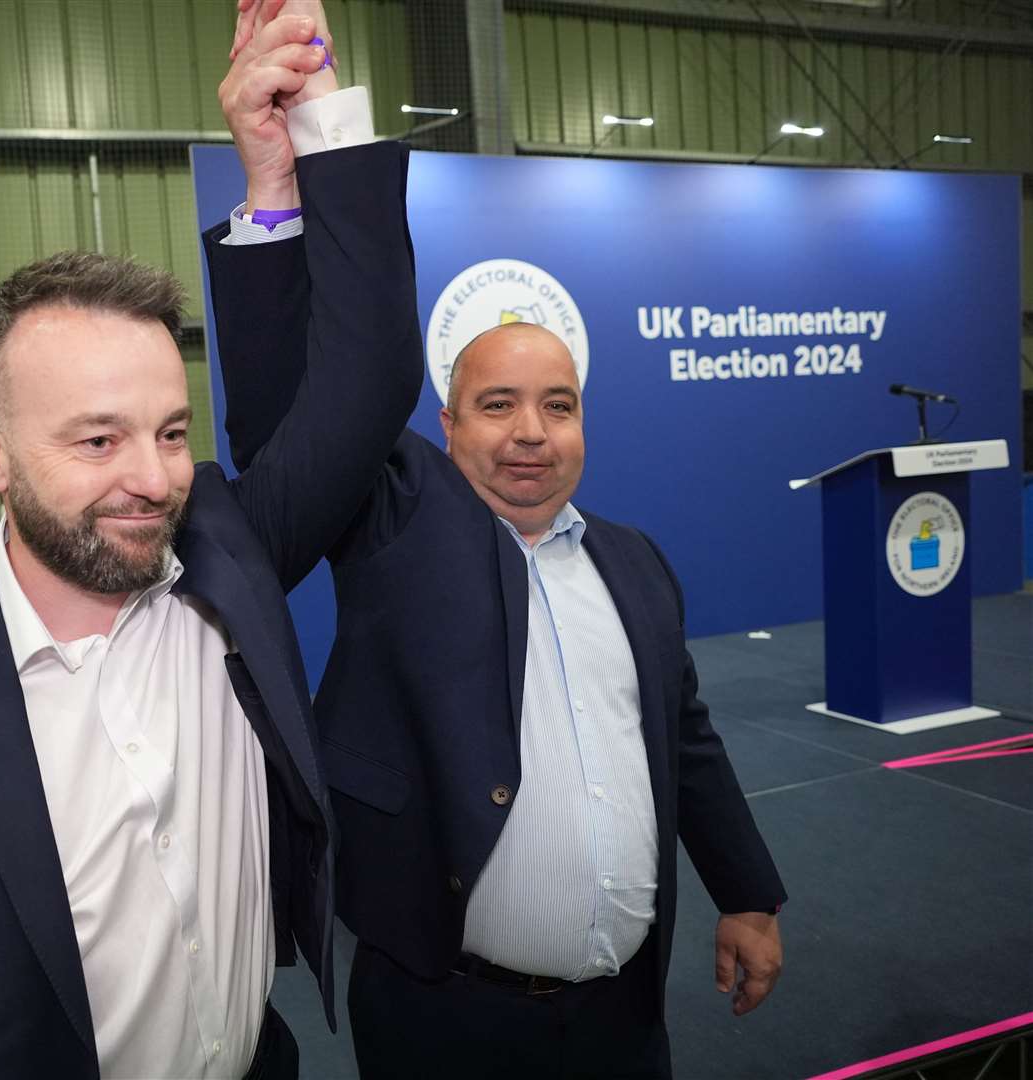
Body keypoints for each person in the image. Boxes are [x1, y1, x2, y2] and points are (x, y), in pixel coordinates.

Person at [0, 13, 420, 1078]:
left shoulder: (227, 559)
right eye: (96, 440)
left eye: (171, 432)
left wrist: (284, 166)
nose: (155, 479)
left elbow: (369, 377)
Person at [212, 21, 786, 1077]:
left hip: (627, 1022)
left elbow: (686, 742)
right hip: (447, 1021)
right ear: (447, 426)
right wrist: (286, 182)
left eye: (557, 406)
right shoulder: (397, 524)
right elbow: (298, 420)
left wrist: (746, 891)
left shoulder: (635, 563)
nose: (530, 432)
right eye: (498, 406)